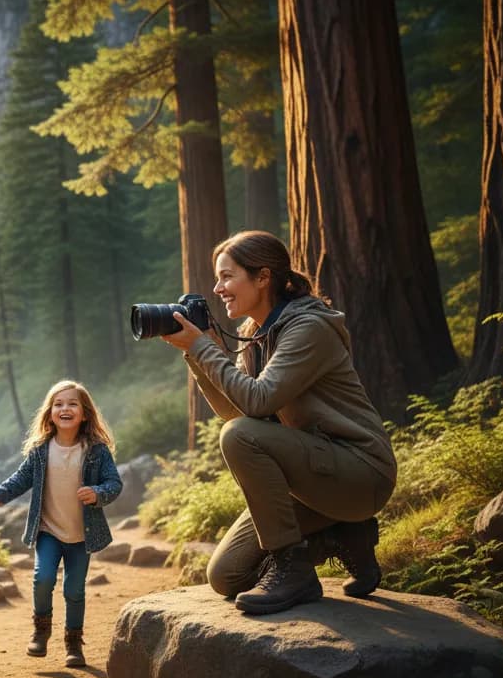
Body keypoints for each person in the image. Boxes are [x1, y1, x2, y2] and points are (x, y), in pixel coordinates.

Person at [161, 230, 396, 615]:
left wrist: (203, 348)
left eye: (226, 276)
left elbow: (257, 403)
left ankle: (293, 566)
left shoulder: (308, 328)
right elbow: (236, 410)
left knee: (239, 437)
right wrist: (196, 353)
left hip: (360, 472)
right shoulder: (257, 335)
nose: (217, 288)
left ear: (263, 277)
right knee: (226, 576)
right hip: (314, 477)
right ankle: (344, 535)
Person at [0, 380, 122, 667]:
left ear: (85, 413)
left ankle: (73, 644)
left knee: (74, 590)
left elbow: (114, 483)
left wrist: (98, 493)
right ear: (50, 412)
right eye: (59, 404)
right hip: (48, 531)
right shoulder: (41, 450)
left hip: (82, 535)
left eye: (72, 403)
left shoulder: (97, 451)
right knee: (43, 579)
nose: (65, 408)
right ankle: (41, 630)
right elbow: (19, 481)